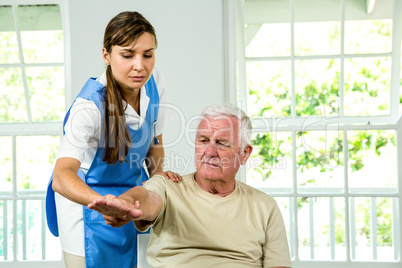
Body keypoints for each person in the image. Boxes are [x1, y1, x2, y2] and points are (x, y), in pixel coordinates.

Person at [45, 11, 180, 268]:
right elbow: (62, 177)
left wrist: (157, 181)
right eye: (127, 55)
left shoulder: (155, 84)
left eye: (147, 54)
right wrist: (103, 203)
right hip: (86, 202)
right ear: (107, 55)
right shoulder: (88, 107)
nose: (139, 65)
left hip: (129, 195)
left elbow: (155, 143)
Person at [89, 103, 293, 268]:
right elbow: (147, 198)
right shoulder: (169, 185)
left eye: (221, 143)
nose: (210, 152)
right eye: (203, 140)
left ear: (245, 153)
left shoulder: (265, 206)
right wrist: (125, 202)